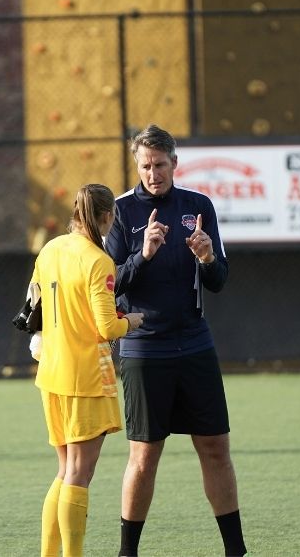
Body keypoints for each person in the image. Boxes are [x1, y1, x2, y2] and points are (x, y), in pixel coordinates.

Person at [104, 124, 247, 557]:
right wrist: (142, 254)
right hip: (144, 348)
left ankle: (236, 551)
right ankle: (127, 552)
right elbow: (108, 285)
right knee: (144, 457)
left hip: (195, 343)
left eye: (160, 164)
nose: (153, 173)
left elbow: (218, 280)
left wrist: (206, 257)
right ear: (137, 165)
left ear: (174, 163)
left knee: (216, 449)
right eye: (145, 166)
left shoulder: (197, 205)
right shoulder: (122, 212)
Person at [30, 184, 144, 557]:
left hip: (51, 372)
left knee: (65, 471)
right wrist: (134, 321)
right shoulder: (98, 260)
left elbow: (35, 300)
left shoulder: (50, 248)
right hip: (85, 376)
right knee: (80, 474)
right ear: (107, 217)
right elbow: (108, 327)